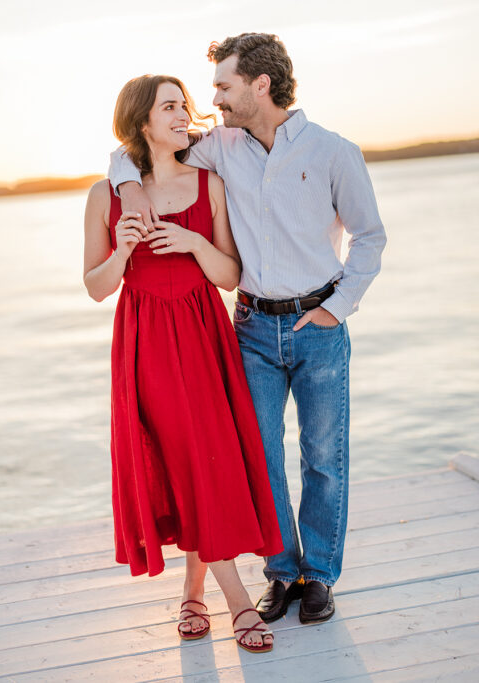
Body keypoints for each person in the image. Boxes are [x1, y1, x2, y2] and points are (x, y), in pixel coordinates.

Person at [110, 33, 386, 625]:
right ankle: (281, 572)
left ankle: (320, 577)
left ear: (260, 85)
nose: (213, 99)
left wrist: (338, 308)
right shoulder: (221, 147)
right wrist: (130, 187)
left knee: (323, 457)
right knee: (258, 458)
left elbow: (371, 237)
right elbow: (135, 149)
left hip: (319, 324)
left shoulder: (334, 151)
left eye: (223, 86)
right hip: (252, 326)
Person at [84, 75, 283, 653]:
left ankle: (195, 594)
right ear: (142, 121)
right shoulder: (107, 195)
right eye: (169, 107)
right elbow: (96, 288)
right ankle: (238, 603)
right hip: (144, 339)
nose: (182, 114)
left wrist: (196, 245)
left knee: (205, 459)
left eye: (184, 106)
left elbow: (230, 277)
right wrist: (122, 249)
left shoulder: (212, 184)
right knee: (179, 458)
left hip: (202, 333)